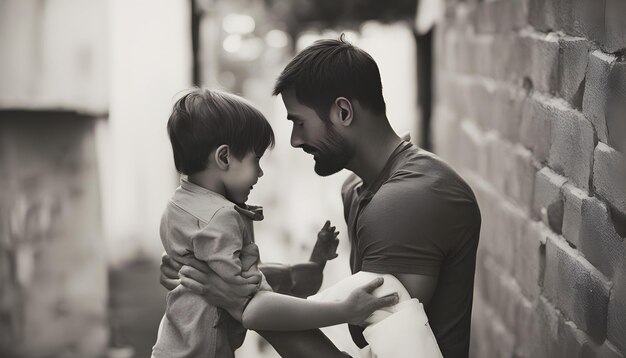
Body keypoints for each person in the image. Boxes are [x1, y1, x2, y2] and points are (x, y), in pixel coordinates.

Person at [161, 35, 481, 358]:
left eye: (299, 122)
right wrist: (200, 269)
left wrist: (234, 299)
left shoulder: (406, 202)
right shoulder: (358, 189)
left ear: (343, 111)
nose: (295, 140)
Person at [152, 88, 399, 358]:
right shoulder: (222, 217)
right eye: (255, 160)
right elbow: (256, 303)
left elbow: (276, 280)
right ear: (223, 157)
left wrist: (315, 262)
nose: (259, 172)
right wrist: (344, 310)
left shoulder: (178, 204)